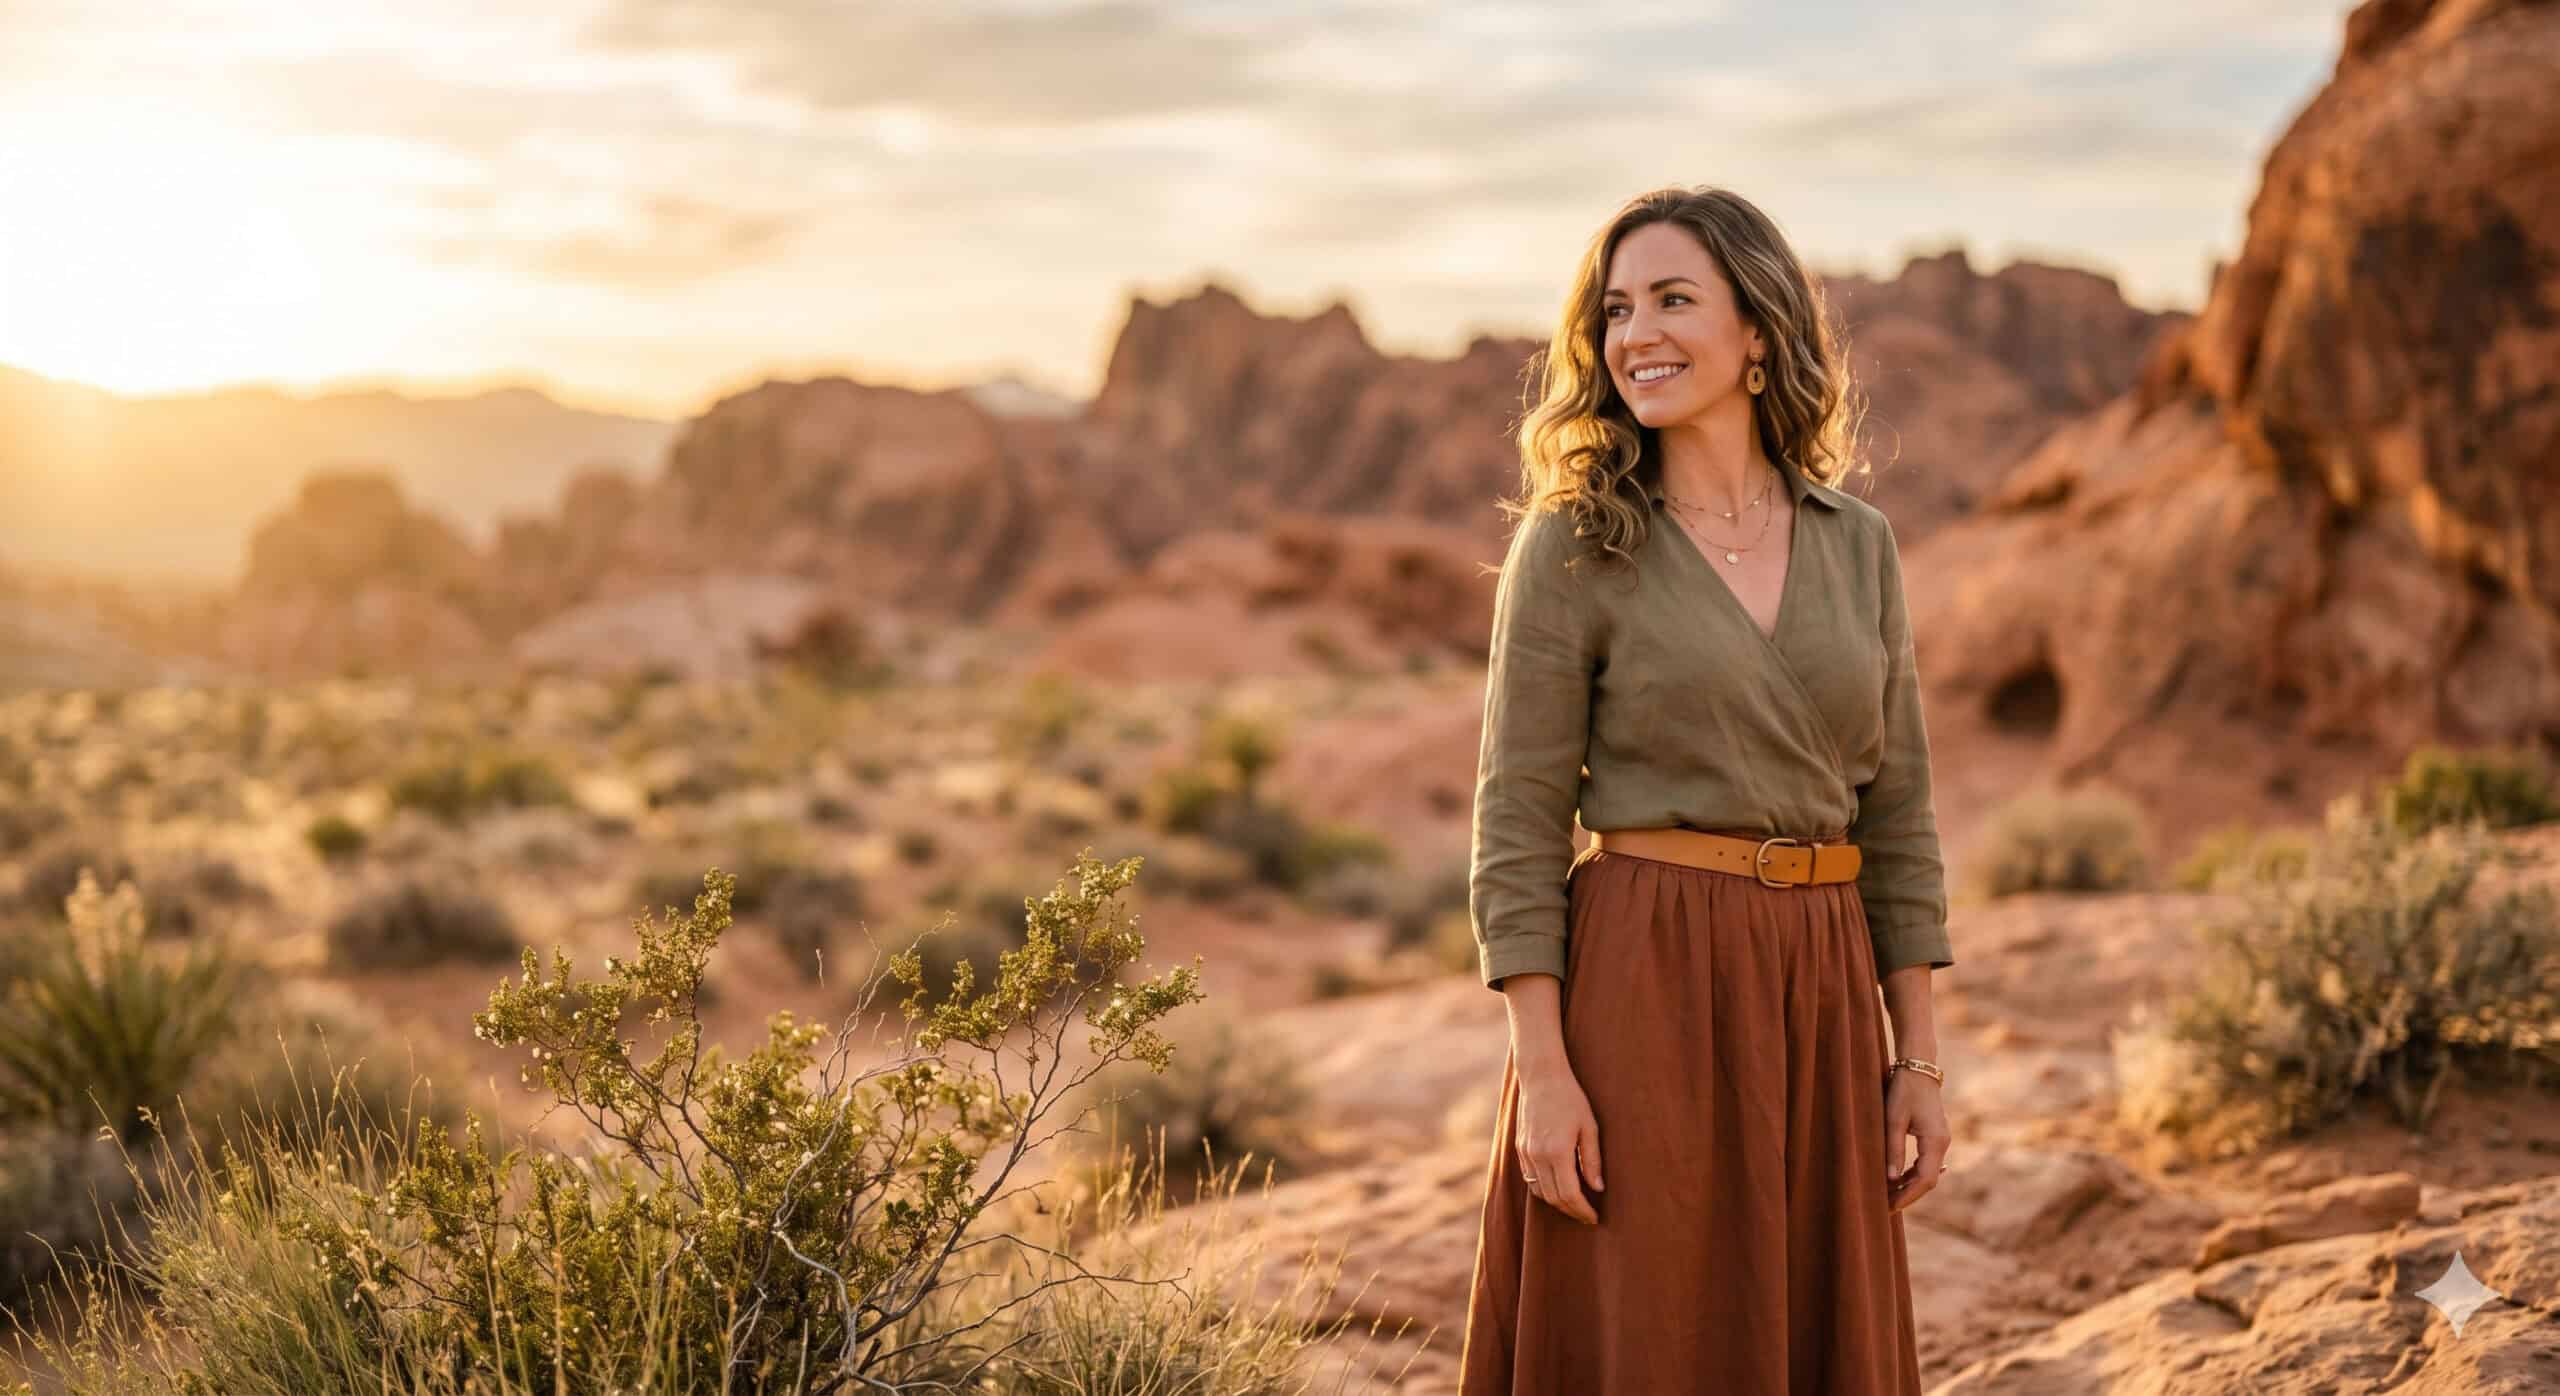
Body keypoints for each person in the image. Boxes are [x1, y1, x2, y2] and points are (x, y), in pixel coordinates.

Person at [1456, 186, 1956, 1395]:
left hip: (1819, 983)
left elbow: (1896, 813)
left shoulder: (1857, 542)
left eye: (1674, 299)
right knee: (1654, 1330)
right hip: (1646, 979)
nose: (1637, 335)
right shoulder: (1576, 542)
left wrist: (1917, 1056)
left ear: (1757, 333)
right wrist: (1546, 1071)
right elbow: (1516, 819)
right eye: (1616, 309)